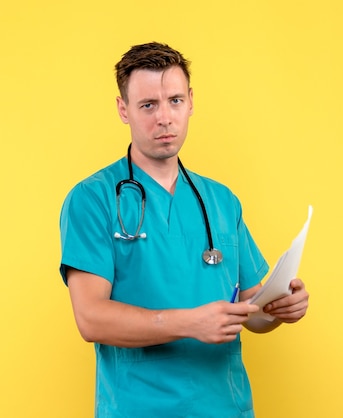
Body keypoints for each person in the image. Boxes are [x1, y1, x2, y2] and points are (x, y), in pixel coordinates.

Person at [59, 42, 309, 418]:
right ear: (123, 109)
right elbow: (91, 318)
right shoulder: (92, 199)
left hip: (227, 408)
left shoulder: (222, 201)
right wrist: (191, 323)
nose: (165, 118)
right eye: (148, 105)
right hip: (139, 409)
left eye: (175, 100)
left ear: (191, 101)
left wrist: (279, 308)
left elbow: (252, 312)